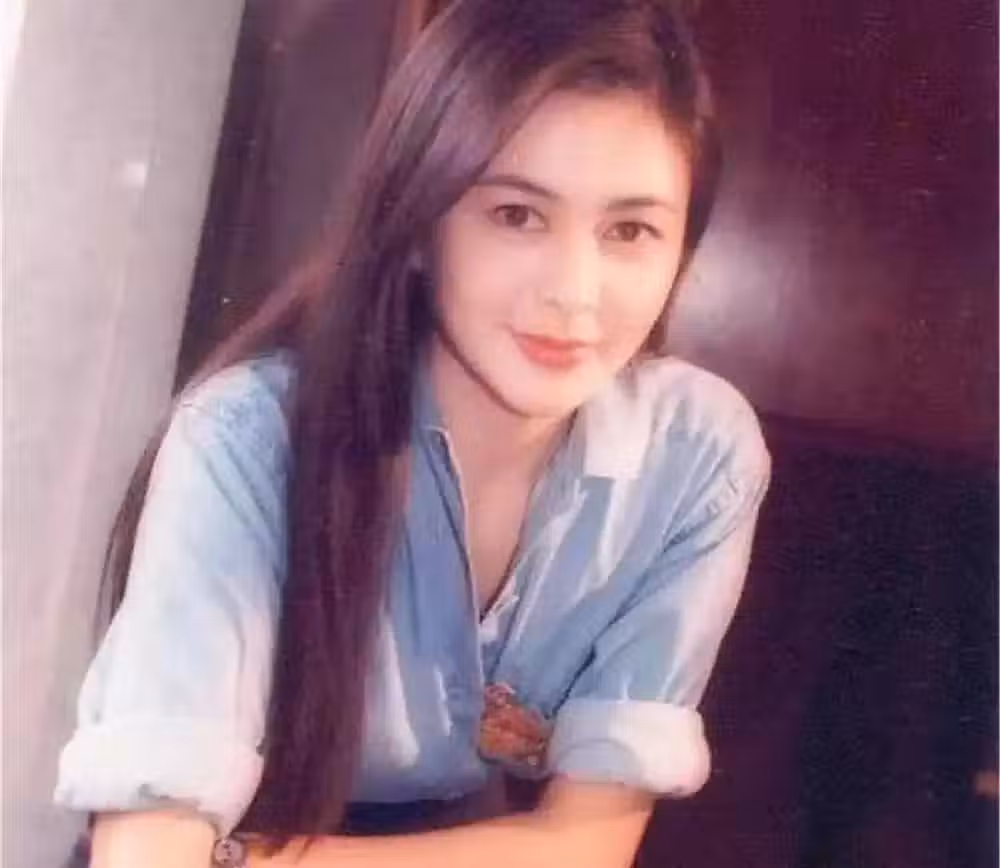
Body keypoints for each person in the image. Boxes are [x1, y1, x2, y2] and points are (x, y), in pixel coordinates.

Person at [54, 0, 771, 865]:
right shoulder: (250, 438)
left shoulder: (696, 456)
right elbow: (146, 848)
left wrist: (238, 863)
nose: (574, 293)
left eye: (630, 230)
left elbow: (587, 843)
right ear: (421, 224)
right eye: (517, 215)